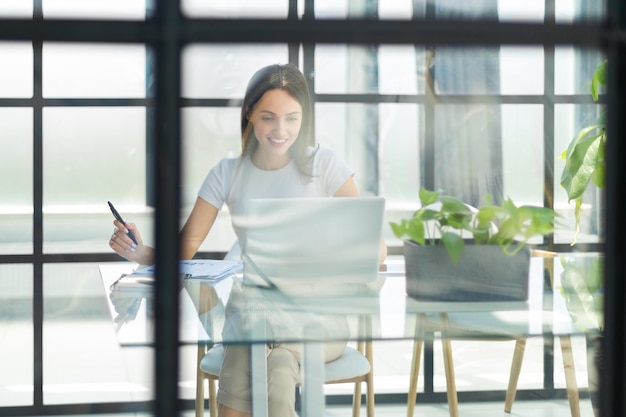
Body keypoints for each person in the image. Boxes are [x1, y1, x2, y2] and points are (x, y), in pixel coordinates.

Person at [109, 63, 387, 417]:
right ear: (250, 114)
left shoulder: (326, 165)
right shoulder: (228, 174)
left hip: (317, 321)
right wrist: (139, 250)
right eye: (269, 117)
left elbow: (375, 249)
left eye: (292, 118)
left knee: (250, 342)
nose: (280, 130)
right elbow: (184, 251)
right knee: (278, 363)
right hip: (258, 320)